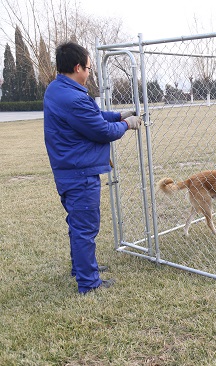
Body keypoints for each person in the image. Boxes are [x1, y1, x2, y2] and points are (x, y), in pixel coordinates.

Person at [43, 42, 142, 294]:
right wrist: (128, 124)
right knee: (85, 227)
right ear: (77, 67)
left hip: (68, 170)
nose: (89, 73)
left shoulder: (57, 89)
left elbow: (93, 115)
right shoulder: (74, 97)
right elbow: (101, 131)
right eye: (88, 68)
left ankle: (82, 267)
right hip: (80, 173)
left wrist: (118, 115)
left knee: (77, 223)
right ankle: (88, 282)